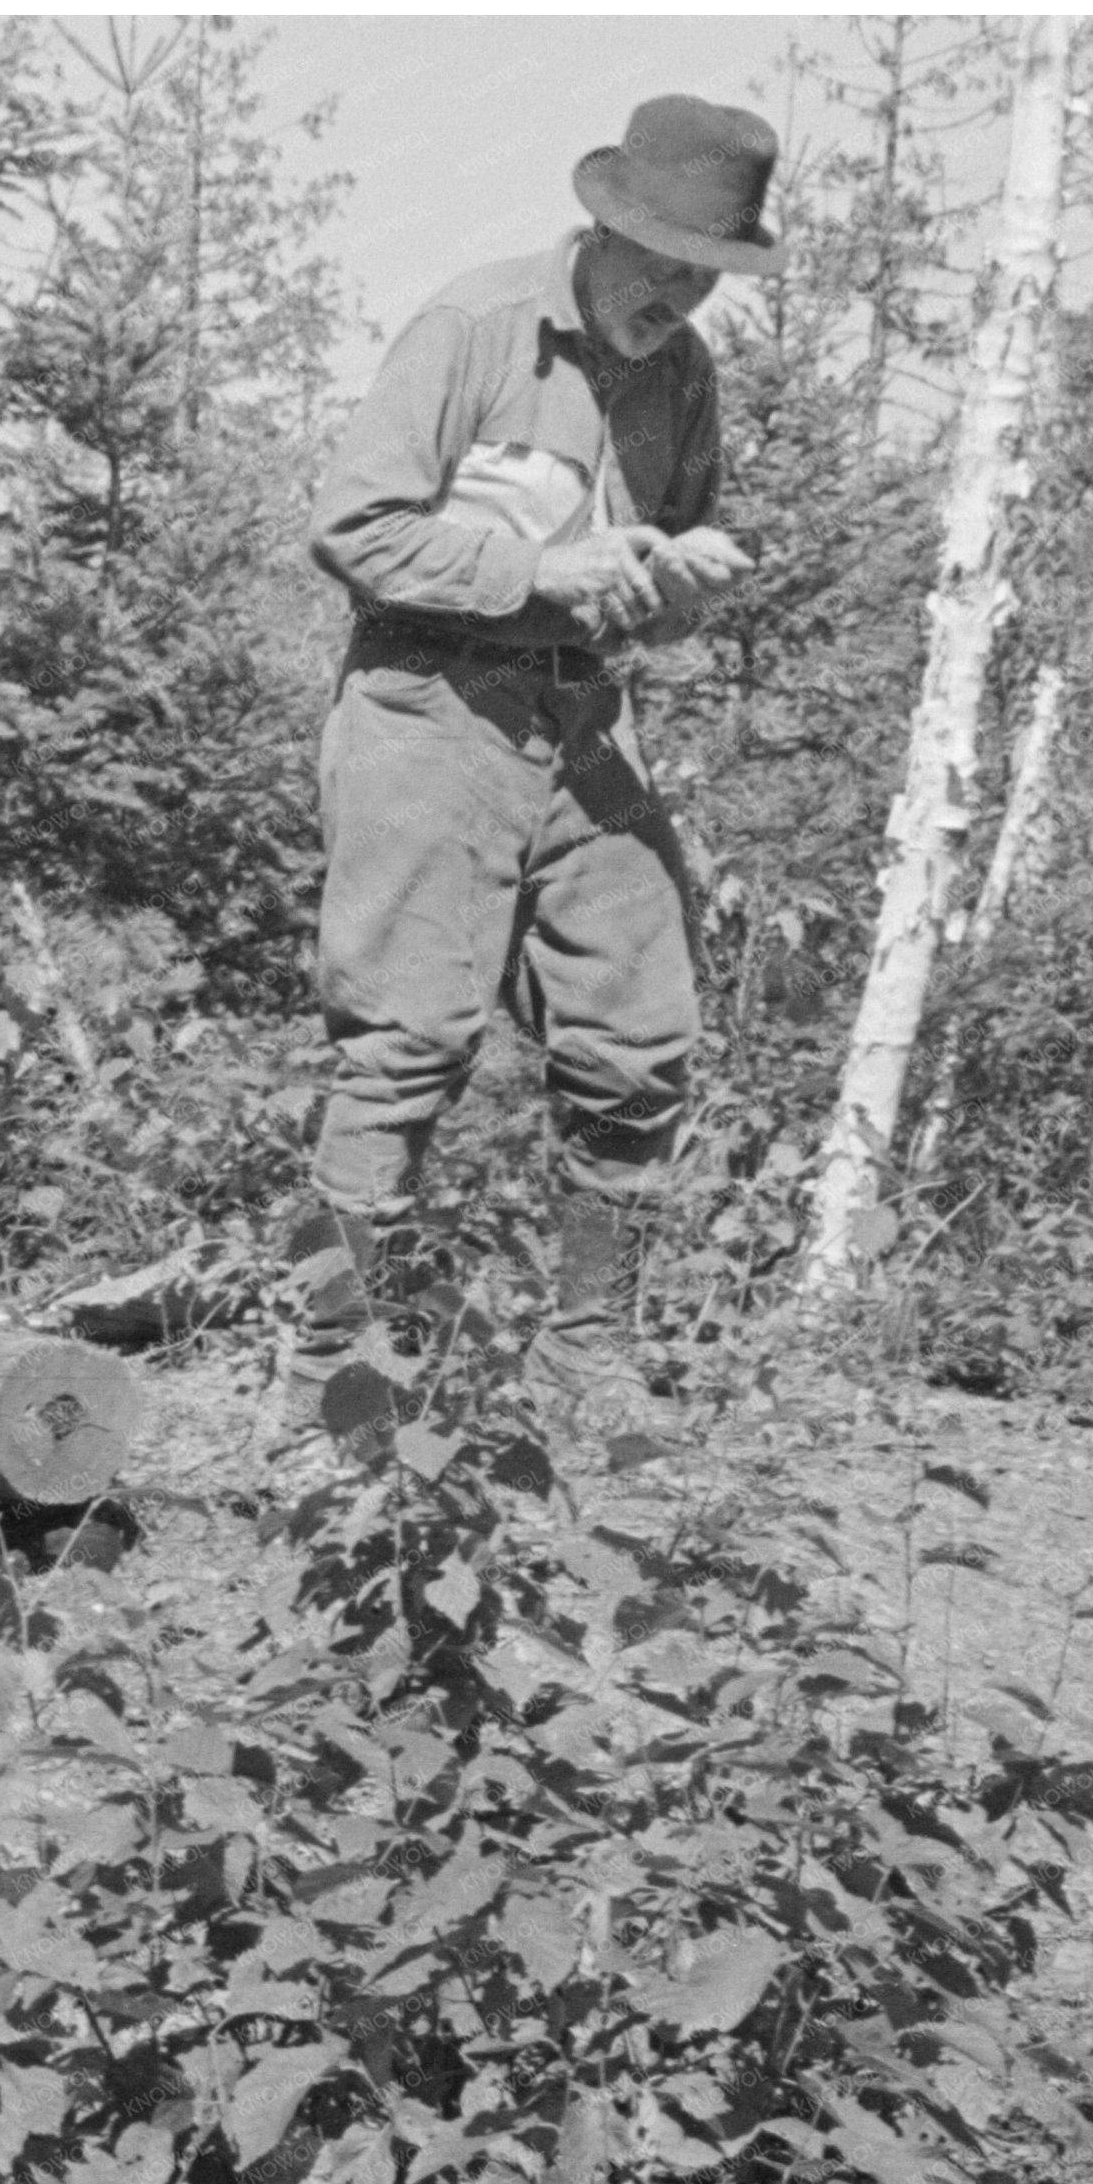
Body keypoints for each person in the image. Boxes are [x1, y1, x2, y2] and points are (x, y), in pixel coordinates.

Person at [278, 93, 784, 1455]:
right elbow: (355, 528)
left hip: (584, 721)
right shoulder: (476, 328)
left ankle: (589, 1351)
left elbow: (653, 570)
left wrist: (677, 587)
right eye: (665, 263)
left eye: (709, 275)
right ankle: (332, 1368)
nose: (681, 297)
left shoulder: (680, 380)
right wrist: (533, 570)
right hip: (425, 704)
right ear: (607, 228)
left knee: (640, 1025)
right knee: (407, 1033)